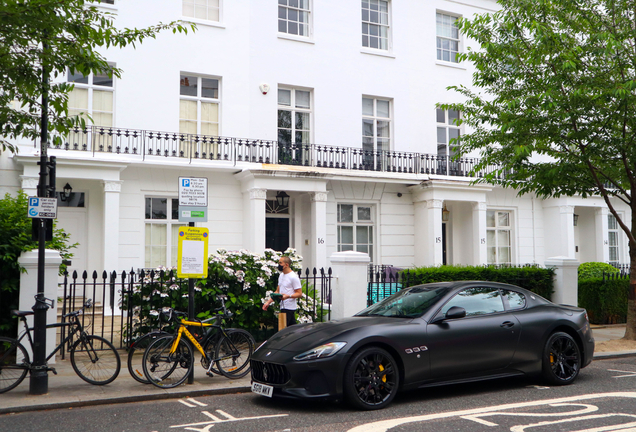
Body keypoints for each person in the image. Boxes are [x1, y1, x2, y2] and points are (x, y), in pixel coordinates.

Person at [262, 256, 302, 325]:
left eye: (280, 263)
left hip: (289, 307)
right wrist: (268, 302)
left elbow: (299, 293)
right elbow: (277, 291)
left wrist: (288, 296)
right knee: (291, 329)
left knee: (283, 329)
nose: (279, 265)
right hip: (283, 306)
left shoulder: (293, 277)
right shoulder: (281, 276)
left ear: (286, 265)